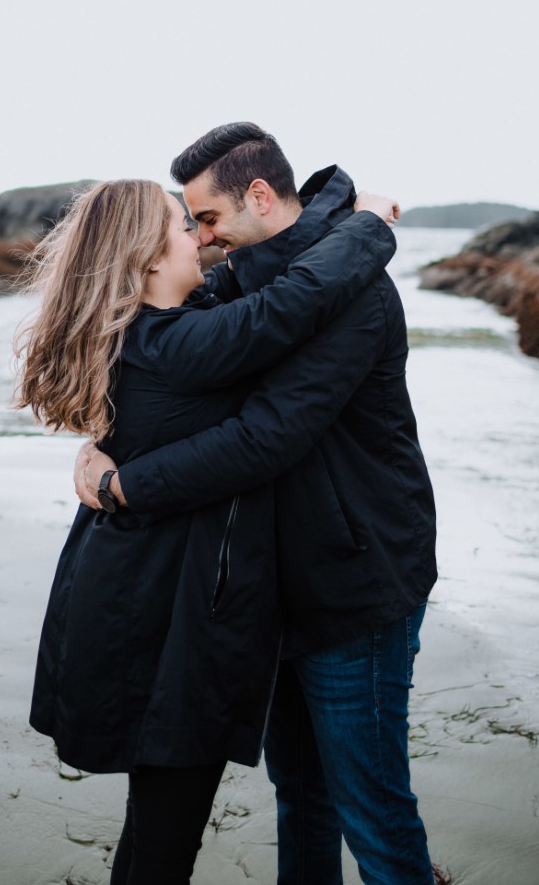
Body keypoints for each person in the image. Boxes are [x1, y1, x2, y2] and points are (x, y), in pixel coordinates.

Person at [75, 125, 438, 885]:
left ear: (262, 197)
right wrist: (98, 445)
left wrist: (125, 486)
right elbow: (161, 368)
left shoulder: (353, 289)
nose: (202, 240)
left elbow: (266, 437)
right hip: (269, 588)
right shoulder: (240, 281)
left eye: (207, 219)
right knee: (300, 796)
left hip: (356, 579)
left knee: (371, 808)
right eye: (192, 225)